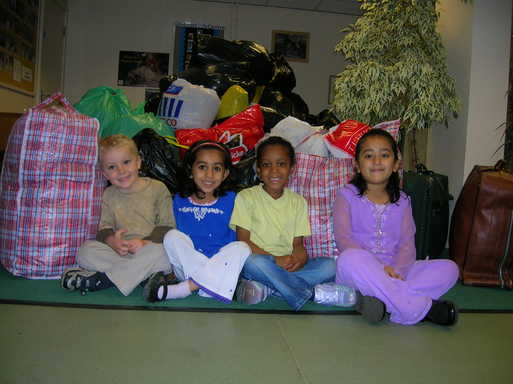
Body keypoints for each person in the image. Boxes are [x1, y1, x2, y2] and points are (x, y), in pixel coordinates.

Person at [333, 128, 460, 325]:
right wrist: (380, 268)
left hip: (396, 271)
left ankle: (378, 300)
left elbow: (407, 244)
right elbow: (344, 240)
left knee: (449, 268)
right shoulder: (346, 196)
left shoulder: (403, 200)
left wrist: (397, 271)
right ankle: (418, 309)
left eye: (384, 155)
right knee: (349, 258)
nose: (376, 161)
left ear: (395, 164)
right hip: (359, 272)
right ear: (357, 165)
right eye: (369, 156)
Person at [230, 136, 342, 311]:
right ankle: (309, 294)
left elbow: (298, 245)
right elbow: (243, 242)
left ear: (292, 169)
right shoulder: (246, 197)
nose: (274, 171)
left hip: (289, 267)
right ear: (258, 170)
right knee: (250, 262)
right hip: (262, 262)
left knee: (331, 266)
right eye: (267, 165)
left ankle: (270, 289)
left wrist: (300, 257)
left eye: (281, 164)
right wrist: (276, 260)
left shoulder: (298, 202)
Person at [60, 134, 174, 296]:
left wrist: (144, 242)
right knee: (85, 251)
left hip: (148, 249)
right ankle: (141, 276)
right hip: (119, 252)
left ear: (138, 162)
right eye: (112, 167)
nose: (121, 171)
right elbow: (104, 229)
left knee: (164, 254)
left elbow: (167, 227)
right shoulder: (108, 194)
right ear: (105, 174)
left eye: (126, 162)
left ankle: (104, 279)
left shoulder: (158, 188)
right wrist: (112, 240)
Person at [143, 140, 251, 303]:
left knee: (242, 247)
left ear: (225, 174)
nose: (209, 175)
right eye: (202, 167)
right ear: (190, 171)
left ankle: (184, 289)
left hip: (222, 264)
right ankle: (216, 285)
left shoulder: (233, 200)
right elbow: (176, 245)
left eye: (216, 168)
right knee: (172, 236)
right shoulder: (179, 200)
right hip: (187, 267)